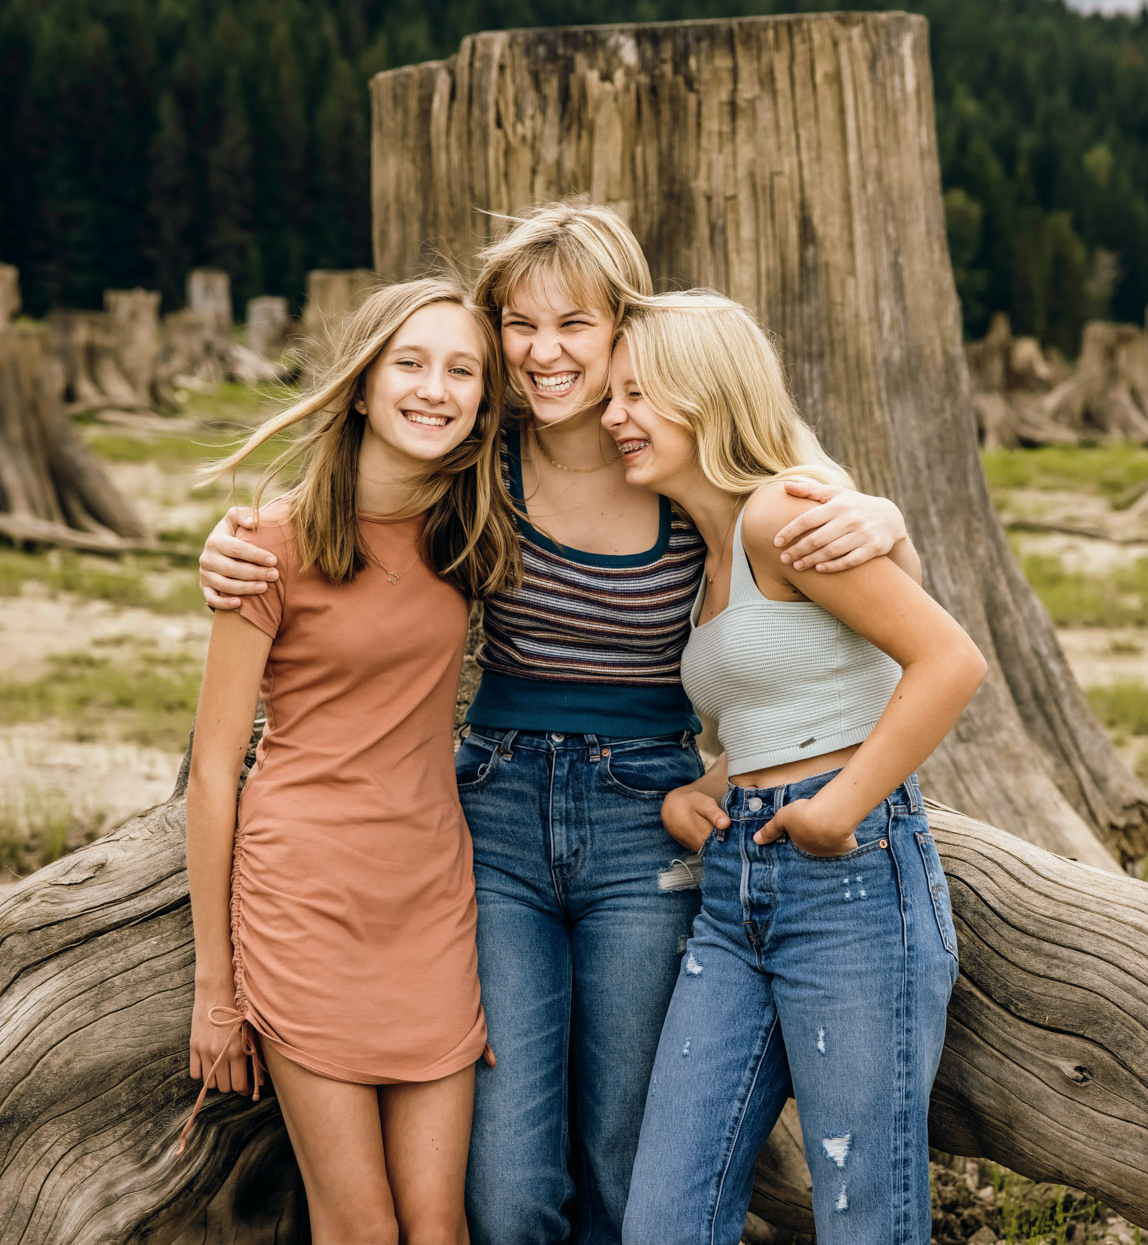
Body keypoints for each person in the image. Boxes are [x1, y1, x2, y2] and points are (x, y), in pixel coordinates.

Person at [196, 200, 918, 1245]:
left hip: (645, 818)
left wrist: (880, 515)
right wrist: (229, 552)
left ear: (622, 327)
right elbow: (354, 506)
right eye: (517, 326)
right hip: (490, 812)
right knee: (507, 1190)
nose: (541, 352)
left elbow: (827, 539)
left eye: (573, 325)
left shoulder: (672, 462)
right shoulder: (477, 464)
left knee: (626, 1165)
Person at [604, 291, 987, 1245]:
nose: (614, 418)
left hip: (851, 882)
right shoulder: (706, 555)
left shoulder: (782, 513)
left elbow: (949, 661)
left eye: (638, 394)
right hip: (737, 897)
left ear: (709, 394)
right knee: (664, 1218)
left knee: (866, 1218)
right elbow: (794, 704)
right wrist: (709, 787)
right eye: (612, 397)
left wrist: (836, 808)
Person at [182, 276, 519, 1245]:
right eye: (409, 362)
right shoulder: (266, 544)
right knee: (359, 1225)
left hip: (430, 895)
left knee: (438, 1222)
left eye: (462, 370)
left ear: (483, 405)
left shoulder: (471, 529)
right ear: (362, 385)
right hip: (306, 898)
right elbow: (214, 772)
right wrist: (217, 987)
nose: (434, 387)